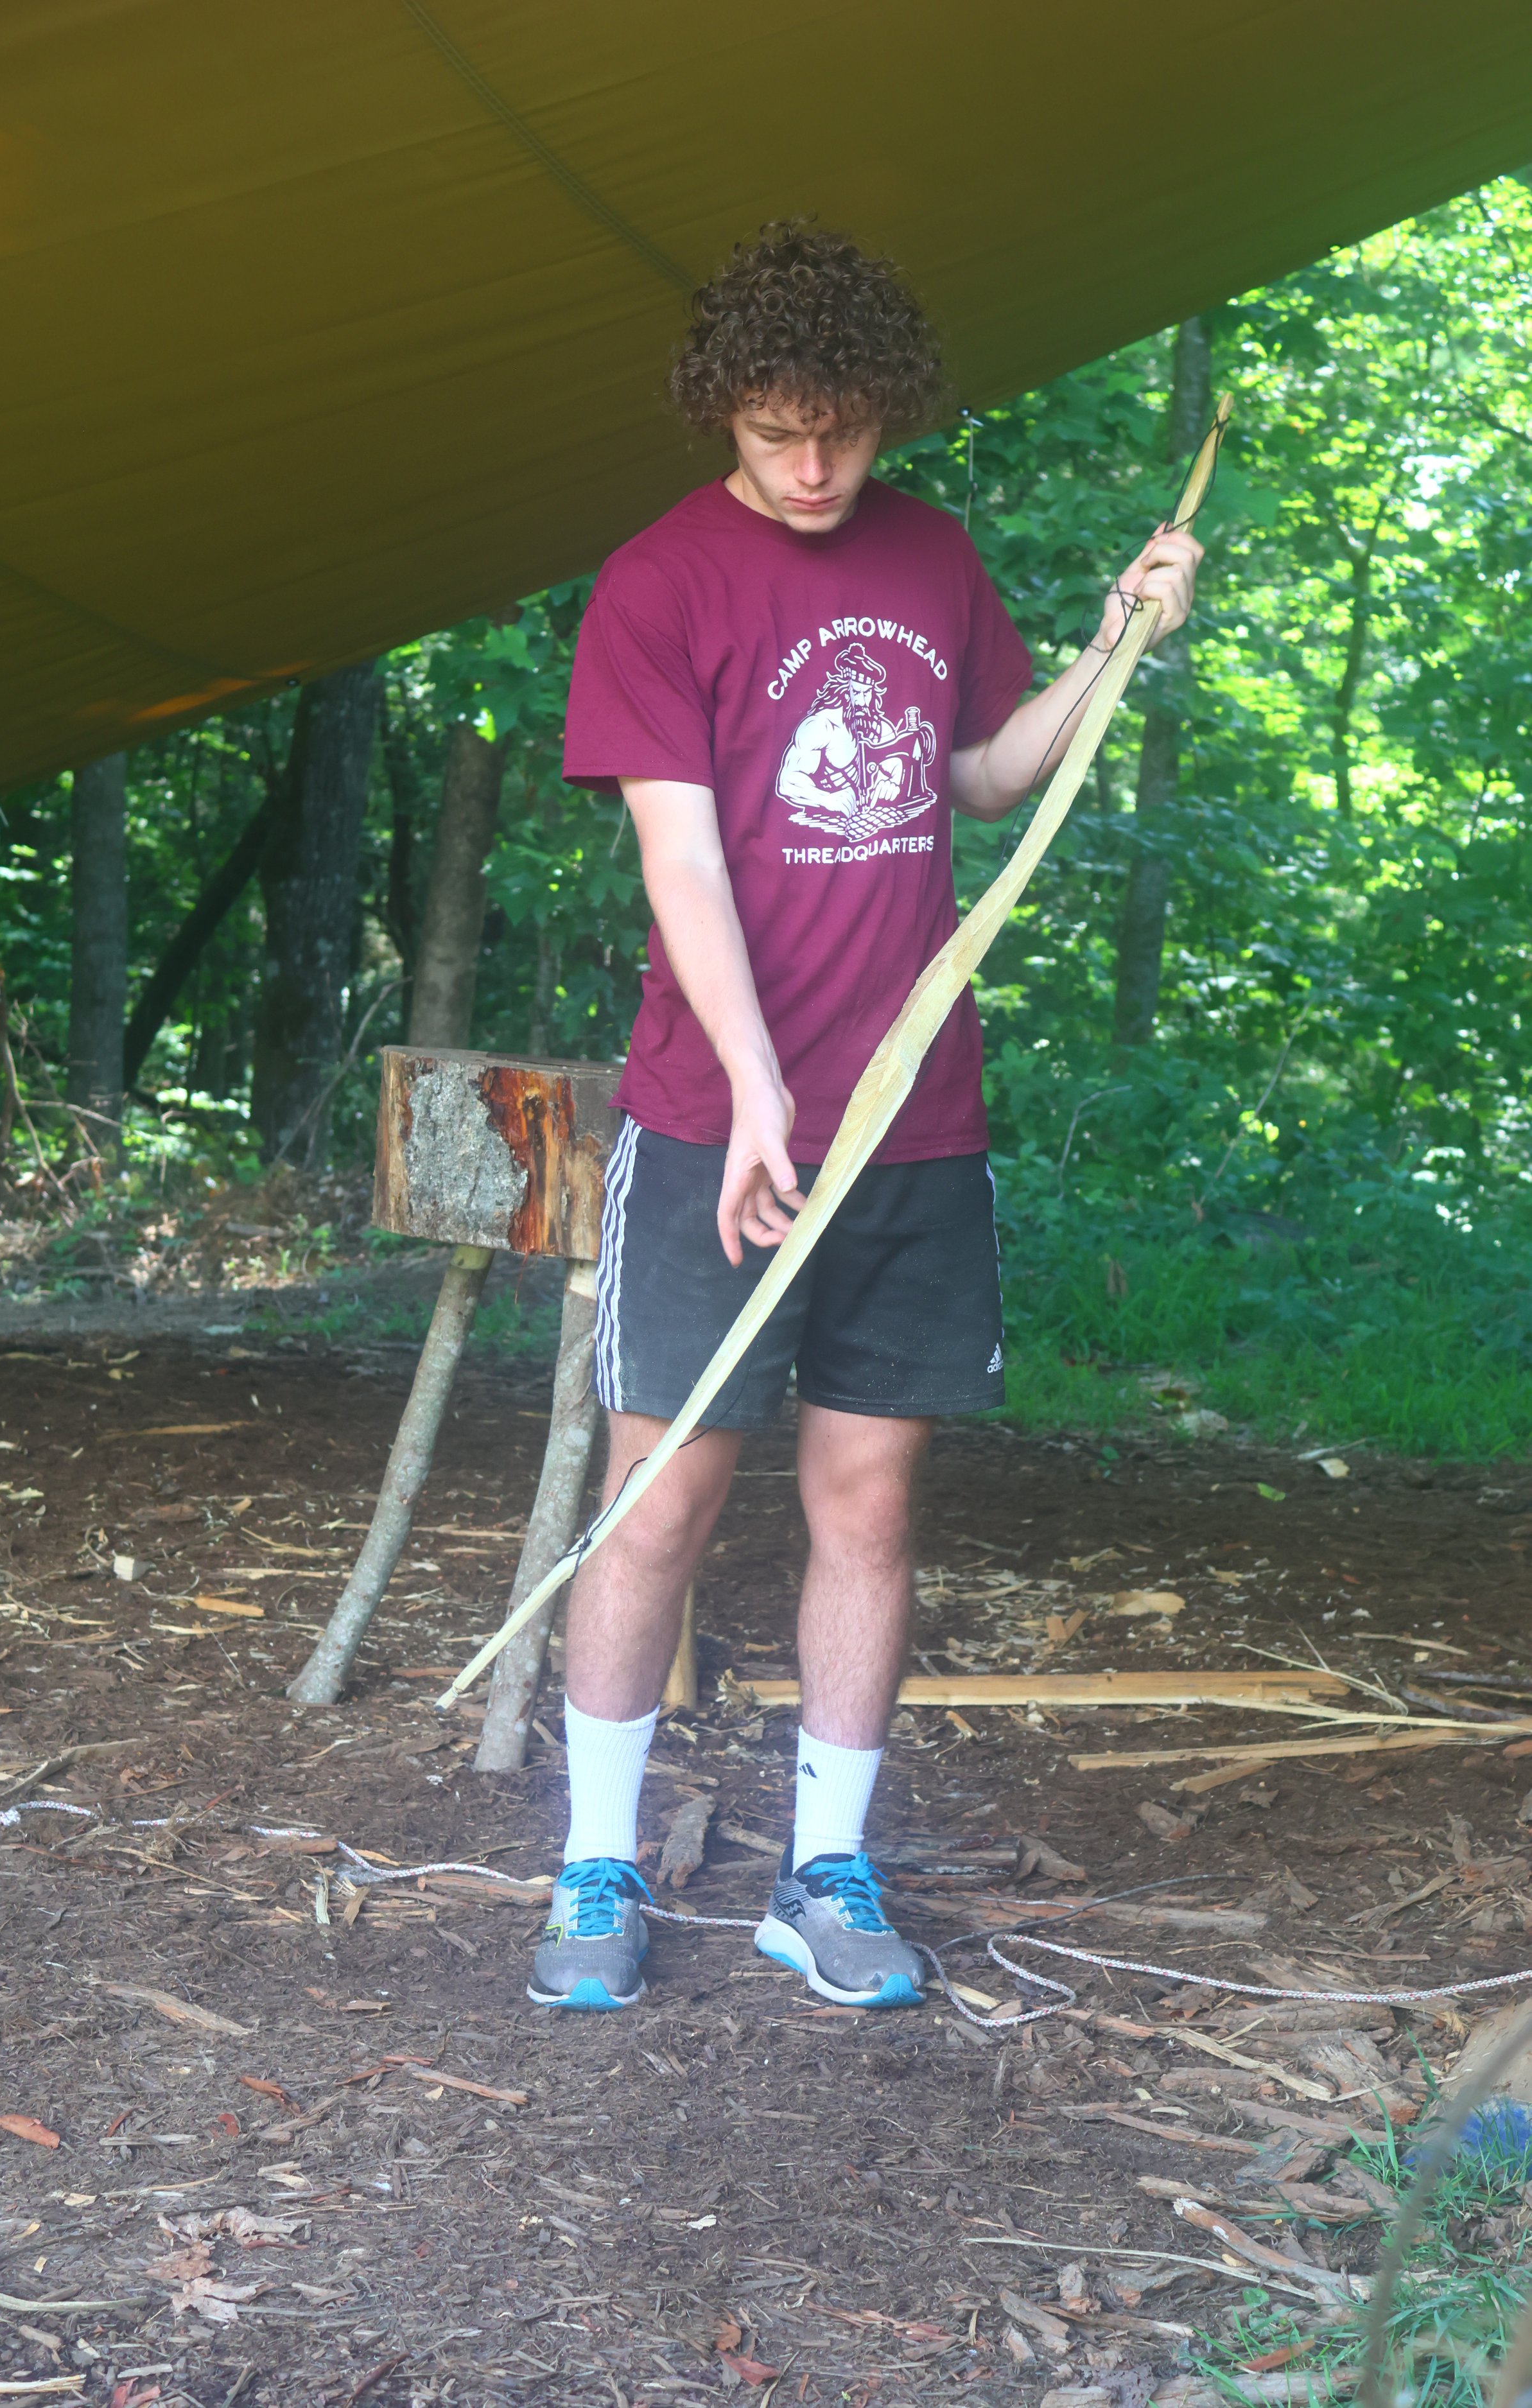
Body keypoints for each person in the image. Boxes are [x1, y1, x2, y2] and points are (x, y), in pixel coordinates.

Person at [532, 222, 1201, 2012]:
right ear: (723, 416)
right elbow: (681, 862)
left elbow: (980, 774)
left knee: (870, 1501)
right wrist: (757, 1086)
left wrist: (1113, 644)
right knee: (658, 1501)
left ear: (884, 410)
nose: (812, 466)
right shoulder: (660, 583)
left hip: (915, 1123)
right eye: (775, 433)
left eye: (839, 430)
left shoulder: (930, 554)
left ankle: (822, 1868)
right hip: (714, 1118)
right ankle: (596, 1865)